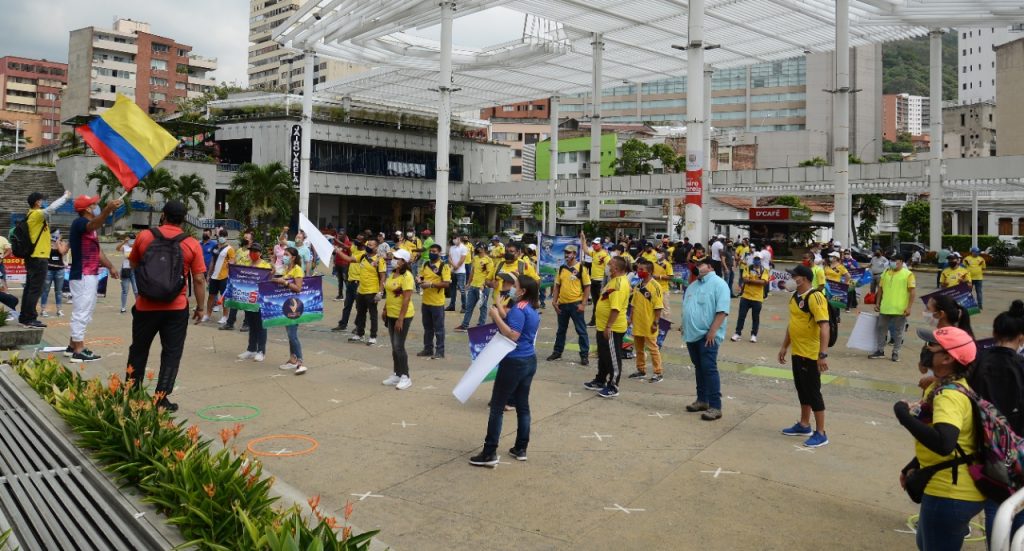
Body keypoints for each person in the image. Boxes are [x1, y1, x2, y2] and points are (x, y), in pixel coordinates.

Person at [894, 326, 982, 551]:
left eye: (931, 346)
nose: (925, 349)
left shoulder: (949, 395)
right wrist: (914, 464)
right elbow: (956, 440)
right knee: (925, 543)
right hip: (945, 484)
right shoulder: (944, 385)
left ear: (947, 358)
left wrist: (903, 416)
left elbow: (944, 443)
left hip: (950, 493)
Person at [126, 201, 207, 412]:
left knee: (138, 349)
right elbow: (199, 279)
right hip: (175, 308)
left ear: (163, 215)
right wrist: (201, 307)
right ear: (184, 219)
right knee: (171, 353)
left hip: (145, 306)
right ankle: (161, 398)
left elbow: (133, 264)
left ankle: (131, 392)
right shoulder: (191, 243)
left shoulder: (145, 236)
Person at [469, 274, 541, 467]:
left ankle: (489, 452)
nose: (512, 288)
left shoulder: (518, 309)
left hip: (514, 361)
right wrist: (500, 309)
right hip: (529, 359)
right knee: (523, 405)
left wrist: (494, 317)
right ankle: (521, 448)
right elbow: (513, 322)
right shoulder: (531, 309)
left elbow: (513, 334)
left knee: (497, 407)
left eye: (515, 286)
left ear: (522, 291)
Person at [968, 300, 1024, 543]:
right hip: (1017, 445)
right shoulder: (1021, 366)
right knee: (1017, 502)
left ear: (994, 332)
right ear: (1021, 337)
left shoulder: (978, 361)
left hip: (984, 442)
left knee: (995, 503)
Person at [777, 264, 831, 448]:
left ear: (805, 279)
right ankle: (804, 424)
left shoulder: (815, 297)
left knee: (813, 392)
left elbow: (824, 326)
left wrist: (822, 354)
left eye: (795, 276)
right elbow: (793, 324)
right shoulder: (794, 297)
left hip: (811, 353)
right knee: (802, 389)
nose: (791, 279)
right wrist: (784, 346)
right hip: (797, 351)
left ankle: (821, 433)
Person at [66, 195, 121, 362]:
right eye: (93, 204)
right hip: (83, 274)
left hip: (89, 274)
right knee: (82, 311)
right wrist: (107, 210)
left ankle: (72, 345)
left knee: (86, 310)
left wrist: (110, 266)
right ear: (87, 209)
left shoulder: (89, 227)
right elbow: (94, 224)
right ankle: (79, 350)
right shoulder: (80, 223)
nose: (96, 206)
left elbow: (97, 252)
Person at [682, 257, 731, 421]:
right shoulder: (693, 285)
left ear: (709, 267)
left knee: (709, 368)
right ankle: (702, 400)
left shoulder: (719, 284)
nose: (696, 267)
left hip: (708, 336)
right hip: (691, 334)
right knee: (699, 367)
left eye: (699, 264)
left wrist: (713, 331)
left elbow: (722, 311)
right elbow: (688, 307)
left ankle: (715, 406)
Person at [19, 190, 70, 327]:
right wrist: (65, 197)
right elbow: (52, 208)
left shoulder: (31, 215)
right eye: (41, 200)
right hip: (38, 257)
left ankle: (24, 317)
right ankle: (30, 318)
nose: (43, 202)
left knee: (30, 288)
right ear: (37, 202)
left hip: (33, 257)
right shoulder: (36, 214)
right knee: (35, 289)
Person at [583, 256, 629, 398]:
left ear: (616, 268)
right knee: (603, 355)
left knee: (612, 357)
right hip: (603, 326)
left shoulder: (619, 284)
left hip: (612, 328)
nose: (607, 266)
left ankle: (613, 386)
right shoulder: (612, 281)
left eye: (609, 264)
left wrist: (609, 326)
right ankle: (600, 380)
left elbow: (615, 308)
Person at [546, 244, 591, 366]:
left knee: (581, 331)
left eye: (569, 252)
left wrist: (583, 304)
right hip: (562, 305)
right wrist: (554, 302)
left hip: (576, 304)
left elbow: (587, 287)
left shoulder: (581, 268)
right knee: (561, 330)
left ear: (575, 254)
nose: (566, 255)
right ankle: (557, 352)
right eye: (565, 252)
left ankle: (584, 355)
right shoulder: (561, 268)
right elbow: (557, 286)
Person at [871, 253, 916, 362]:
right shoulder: (886, 272)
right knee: (881, 329)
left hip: (900, 309)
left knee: (898, 332)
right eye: (891, 260)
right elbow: (880, 289)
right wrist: (877, 303)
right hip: (885, 307)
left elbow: (912, 292)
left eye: (895, 260)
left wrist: (909, 307)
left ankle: (895, 352)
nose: (892, 262)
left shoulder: (908, 274)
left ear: (901, 261)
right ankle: (880, 350)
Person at [382, 249, 416, 390]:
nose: (394, 260)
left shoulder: (407, 276)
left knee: (399, 346)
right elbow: (389, 293)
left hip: (403, 316)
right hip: (391, 313)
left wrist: (400, 319)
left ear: (403, 261)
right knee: (394, 346)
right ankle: (397, 373)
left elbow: (406, 298)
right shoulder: (392, 274)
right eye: (394, 257)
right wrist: (385, 309)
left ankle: (405, 376)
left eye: (397, 258)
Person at [627, 258, 665, 383]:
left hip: (649, 323)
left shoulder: (655, 286)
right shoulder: (638, 286)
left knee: (653, 349)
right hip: (638, 323)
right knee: (638, 348)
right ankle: (641, 370)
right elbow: (633, 304)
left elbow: (658, 307)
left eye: (641, 269)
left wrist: (655, 322)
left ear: (649, 272)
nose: (638, 271)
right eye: (638, 269)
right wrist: (630, 318)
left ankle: (658, 372)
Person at [273, 247, 308, 375]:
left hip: (295, 306)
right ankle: (292, 359)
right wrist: (276, 279)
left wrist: (286, 283)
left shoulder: (297, 269)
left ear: (293, 257)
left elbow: (298, 288)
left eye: (286, 254)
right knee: (290, 334)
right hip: (286, 305)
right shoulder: (286, 269)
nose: (284, 256)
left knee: (293, 335)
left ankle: (300, 363)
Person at [238, 244, 272, 363]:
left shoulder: (265, 265)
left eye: (255, 251)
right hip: (248, 298)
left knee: (261, 325)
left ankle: (261, 351)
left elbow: (268, 280)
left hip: (260, 299)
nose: (252, 253)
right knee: (251, 324)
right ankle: (251, 349)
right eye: (251, 251)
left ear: (260, 253)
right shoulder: (246, 264)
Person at [417, 243, 451, 359]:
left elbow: (446, 284)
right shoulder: (426, 264)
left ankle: (440, 351)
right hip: (425, 301)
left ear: (439, 253)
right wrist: (419, 280)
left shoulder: (443, 266)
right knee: (427, 328)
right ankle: (428, 349)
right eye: (431, 251)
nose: (432, 253)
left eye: (434, 251)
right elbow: (421, 276)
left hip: (437, 303)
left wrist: (431, 284)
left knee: (439, 329)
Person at [349, 239, 386, 345]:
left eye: (371, 245)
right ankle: (359, 334)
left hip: (372, 291)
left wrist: (380, 292)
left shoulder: (379, 260)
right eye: (367, 244)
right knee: (360, 313)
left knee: (373, 314)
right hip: (361, 290)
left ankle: (373, 336)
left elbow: (383, 277)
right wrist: (337, 251)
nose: (368, 246)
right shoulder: (363, 256)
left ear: (376, 247)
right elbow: (349, 259)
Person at [732, 254, 770, 343]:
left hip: (757, 298)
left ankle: (754, 335)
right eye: (755, 259)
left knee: (755, 318)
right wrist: (757, 280)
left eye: (758, 259)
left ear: (761, 260)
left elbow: (763, 282)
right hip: (746, 296)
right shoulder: (747, 268)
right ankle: (737, 333)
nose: (757, 260)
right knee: (741, 316)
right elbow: (745, 279)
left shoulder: (764, 270)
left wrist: (751, 280)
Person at [457, 243, 494, 330]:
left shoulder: (488, 260)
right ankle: (464, 325)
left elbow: (490, 275)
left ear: (484, 249)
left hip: (483, 288)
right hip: (473, 286)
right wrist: (468, 283)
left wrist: (484, 285)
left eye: (479, 247)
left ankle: (481, 325)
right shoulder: (475, 258)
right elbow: (472, 271)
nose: (477, 249)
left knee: (482, 307)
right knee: (469, 307)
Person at [331, 235, 364, 332]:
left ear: (364, 242)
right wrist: (336, 241)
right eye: (356, 239)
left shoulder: (364, 254)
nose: (356, 241)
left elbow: (348, 259)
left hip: (358, 282)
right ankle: (343, 324)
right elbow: (346, 246)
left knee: (359, 306)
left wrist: (338, 251)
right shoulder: (354, 248)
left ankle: (358, 326)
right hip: (350, 281)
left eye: (359, 240)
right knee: (347, 305)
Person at [204, 229, 234, 323]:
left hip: (224, 277)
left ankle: (225, 316)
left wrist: (231, 264)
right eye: (220, 236)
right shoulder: (215, 247)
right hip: (214, 276)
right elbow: (212, 261)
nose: (221, 237)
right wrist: (209, 274)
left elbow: (233, 261)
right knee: (211, 296)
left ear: (226, 237)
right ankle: (207, 315)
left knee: (223, 297)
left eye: (223, 236)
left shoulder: (230, 249)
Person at [582, 235, 611, 327]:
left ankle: (596, 321)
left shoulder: (605, 255)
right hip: (593, 281)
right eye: (593, 244)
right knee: (596, 303)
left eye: (596, 244)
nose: (594, 246)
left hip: (600, 282)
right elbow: (586, 251)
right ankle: (595, 321)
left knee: (599, 303)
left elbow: (609, 269)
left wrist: (606, 284)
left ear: (601, 245)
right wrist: (583, 239)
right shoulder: (594, 253)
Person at [40, 232, 68, 318]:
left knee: (58, 291)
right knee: (45, 290)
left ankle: (59, 310)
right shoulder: (47, 243)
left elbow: (62, 252)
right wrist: (50, 242)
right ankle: (43, 309)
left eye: (58, 234)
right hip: (48, 269)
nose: (56, 236)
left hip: (59, 270)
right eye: (55, 234)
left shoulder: (63, 243)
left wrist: (58, 242)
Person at [117, 234, 138, 314]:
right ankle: (123, 307)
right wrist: (124, 242)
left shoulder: (136, 247)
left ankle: (138, 306)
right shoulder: (125, 246)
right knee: (125, 290)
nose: (131, 241)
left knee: (136, 290)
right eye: (130, 239)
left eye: (133, 239)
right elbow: (117, 249)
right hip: (125, 269)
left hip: (134, 270)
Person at [446, 236, 467, 312]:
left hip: (461, 272)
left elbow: (462, 259)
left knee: (462, 289)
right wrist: (453, 267)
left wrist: (456, 267)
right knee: (452, 289)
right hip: (453, 271)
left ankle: (464, 307)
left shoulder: (463, 247)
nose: (454, 240)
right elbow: (449, 258)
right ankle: (452, 306)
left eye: (455, 238)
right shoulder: (452, 248)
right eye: (453, 239)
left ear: (459, 239)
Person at [332, 230, 352, 300]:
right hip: (338, 264)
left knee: (346, 280)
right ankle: (340, 295)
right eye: (338, 234)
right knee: (340, 280)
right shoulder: (336, 243)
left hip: (345, 265)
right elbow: (334, 253)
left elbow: (348, 250)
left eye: (341, 234)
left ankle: (349, 295)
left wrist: (349, 265)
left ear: (345, 236)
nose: (339, 236)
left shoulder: (348, 243)